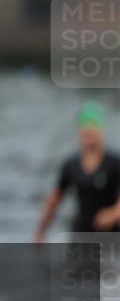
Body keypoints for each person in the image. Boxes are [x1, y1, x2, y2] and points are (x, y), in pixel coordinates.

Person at [35, 102, 120, 243]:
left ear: (101, 131)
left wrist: (113, 214)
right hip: (81, 233)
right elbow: (55, 199)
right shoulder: (71, 165)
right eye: (86, 128)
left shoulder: (115, 163)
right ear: (79, 132)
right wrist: (40, 232)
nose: (90, 132)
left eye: (94, 127)